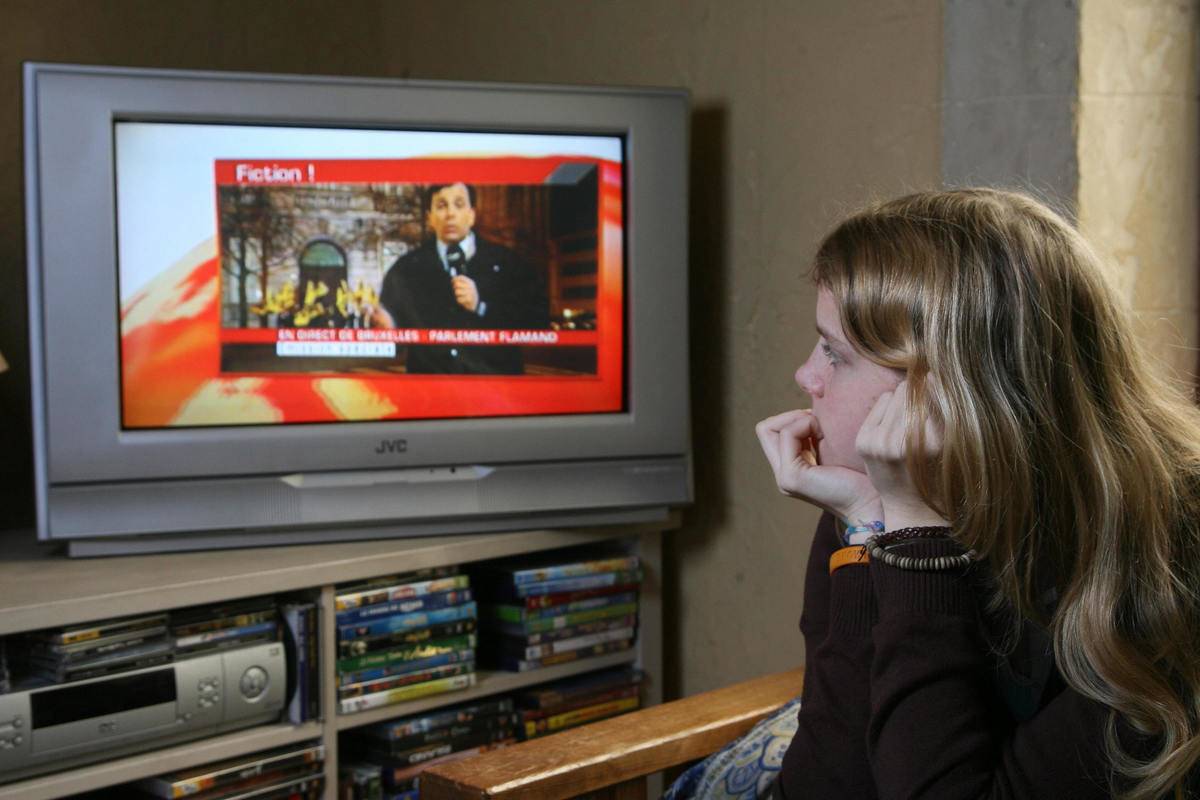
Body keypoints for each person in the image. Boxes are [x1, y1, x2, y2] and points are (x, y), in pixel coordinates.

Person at [725, 188, 1200, 799]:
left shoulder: (1170, 563)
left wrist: (917, 545)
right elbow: (825, 786)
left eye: (836, 354)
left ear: (954, 390)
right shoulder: (877, 502)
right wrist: (874, 528)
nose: (805, 376)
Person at [374, 182, 549, 374]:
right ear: (429, 217)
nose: (450, 214)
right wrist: (389, 330)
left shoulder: (508, 262)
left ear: (472, 215)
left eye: (458, 204)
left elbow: (536, 321)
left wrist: (481, 307)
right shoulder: (405, 269)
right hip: (431, 392)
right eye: (441, 206)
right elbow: (394, 341)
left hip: (495, 389)